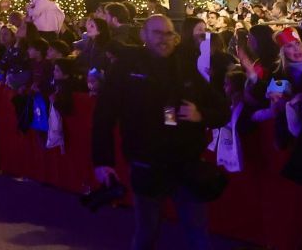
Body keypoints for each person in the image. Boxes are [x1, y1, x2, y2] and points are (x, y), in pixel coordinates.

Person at [91, 13, 225, 250]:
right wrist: (103, 161)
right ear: (143, 35)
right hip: (147, 162)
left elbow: (221, 109)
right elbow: (104, 115)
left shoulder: (186, 67)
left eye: (168, 34)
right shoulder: (126, 68)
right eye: (157, 33)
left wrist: (200, 114)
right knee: (147, 231)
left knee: (197, 234)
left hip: (186, 163)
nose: (164, 39)